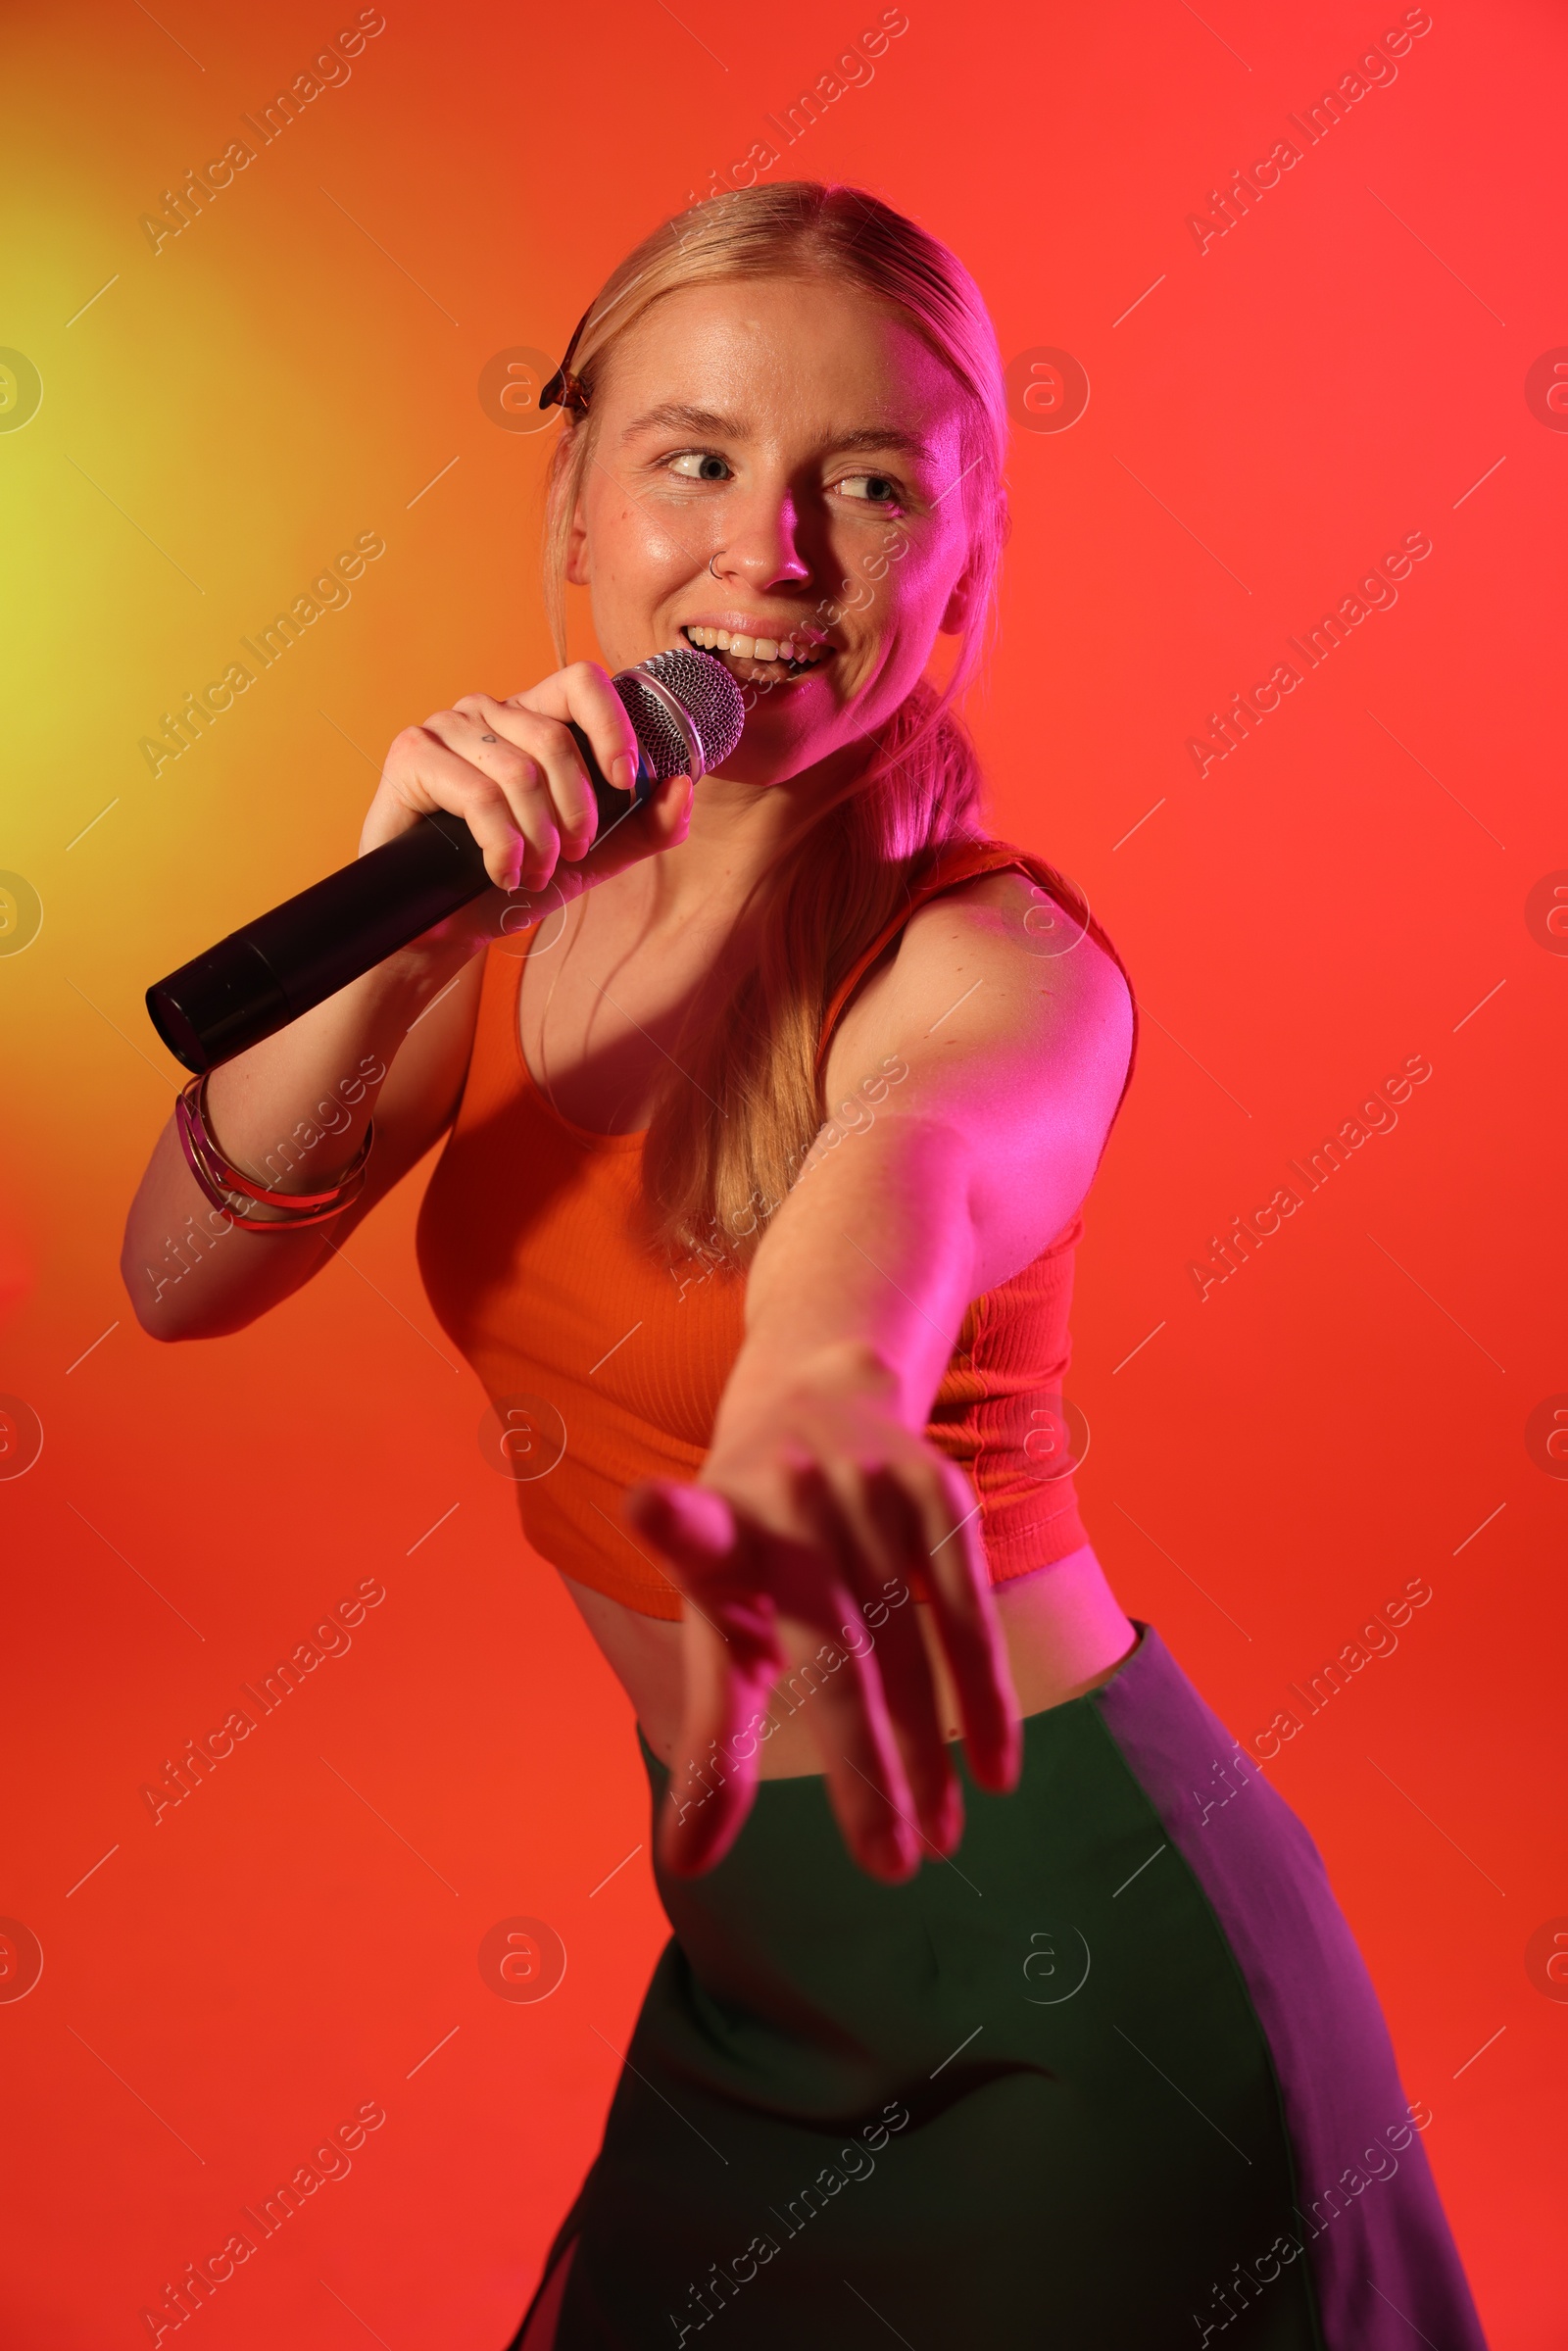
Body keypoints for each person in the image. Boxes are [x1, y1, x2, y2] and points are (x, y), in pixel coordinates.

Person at [121, 181, 1488, 2350]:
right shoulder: (519, 898)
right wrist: (411, 940)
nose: (768, 560)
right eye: (697, 459)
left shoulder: (993, 964)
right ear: (576, 496)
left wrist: (811, 1399)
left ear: (964, 554)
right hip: (752, 1965)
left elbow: (905, 1183)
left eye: (864, 485)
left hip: (1069, 1976)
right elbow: (177, 1277)